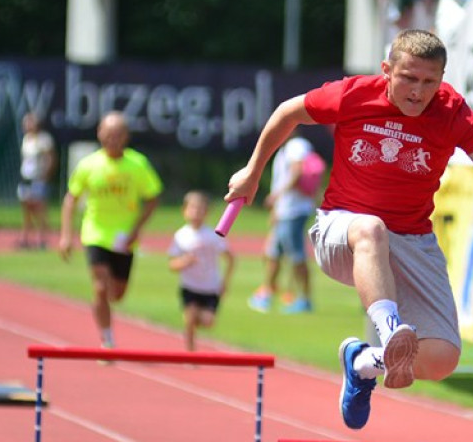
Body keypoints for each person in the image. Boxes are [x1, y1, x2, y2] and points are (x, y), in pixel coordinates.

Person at [225, 29, 473, 430]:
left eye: (430, 81)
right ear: (387, 71)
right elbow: (288, 111)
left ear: (442, 79)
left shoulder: (451, 111)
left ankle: (364, 362)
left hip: (412, 240)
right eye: (409, 78)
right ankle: (389, 328)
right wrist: (253, 172)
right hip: (342, 231)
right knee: (371, 229)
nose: (418, 91)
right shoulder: (354, 94)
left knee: (441, 359)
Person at [59, 111, 163, 350]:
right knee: (99, 286)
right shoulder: (88, 164)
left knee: (117, 293)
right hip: (95, 233)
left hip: (125, 238)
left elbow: (153, 198)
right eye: (108, 133)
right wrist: (66, 235)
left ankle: (106, 314)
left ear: (126, 136)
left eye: (118, 134)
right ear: (99, 134)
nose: (112, 139)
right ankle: (107, 339)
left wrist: (137, 229)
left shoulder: (138, 164)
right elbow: (70, 200)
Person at [248, 133, 320, 314]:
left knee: (296, 255)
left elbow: (297, 171)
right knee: (274, 253)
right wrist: (276, 210)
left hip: (294, 210)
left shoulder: (296, 145)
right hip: (285, 211)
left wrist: (277, 195)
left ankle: (304, 299)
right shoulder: (285, 148)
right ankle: (267, 292)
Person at [168, 191, 235, 352]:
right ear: (184, 211)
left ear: (207, 212)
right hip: (190, 287)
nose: (196, 213)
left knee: (207, 321)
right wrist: (185, 262)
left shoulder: (214, 235)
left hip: (210, 287)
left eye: (200, 209)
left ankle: (197, 317)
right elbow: (172, 264)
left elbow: (231, 258)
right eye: (192, 208)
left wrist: (225, 282)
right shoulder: (181, 236)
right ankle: (191, 352)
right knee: (190, 318)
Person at [16, 112, 57, 249]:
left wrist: (46, 175)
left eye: (29, 122)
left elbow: (51, 158)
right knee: (26, 209)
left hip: (38, 178)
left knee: (39, 209)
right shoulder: (26, 139)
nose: (27, 125)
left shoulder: (44, 140)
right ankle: (25, 237)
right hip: (26, 177)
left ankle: (41, 238)